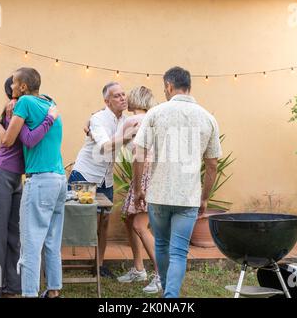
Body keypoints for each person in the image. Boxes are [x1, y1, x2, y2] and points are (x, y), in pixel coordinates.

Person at [133, 67, 222, 298]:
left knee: (161, 245)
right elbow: (212, 165)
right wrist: (204, 198)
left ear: (169, 86)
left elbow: (139, 154)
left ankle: (167, 292)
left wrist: (138, 190)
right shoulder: (207, 118)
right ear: (189, 86)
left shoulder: (155, 113)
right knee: (179, 252)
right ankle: (170, 296)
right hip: (188, 197)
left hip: (159, 195)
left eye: (165, 88)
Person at [0, 76, 58, 298]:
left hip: (17, 179)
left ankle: (12, 287)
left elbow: (31, 138)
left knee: (15, 237)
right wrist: (1, 123)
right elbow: (6, 141)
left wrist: (50, 117)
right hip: (0, 175)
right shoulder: (15, 107)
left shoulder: (34, 106)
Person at [1, 67, 66, 298]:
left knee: (29, 244)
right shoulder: (50, 102)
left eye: (14, 83)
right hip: (59, 179)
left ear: (23, 87)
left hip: (40, 180)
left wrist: (0, 125)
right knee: (51, 239)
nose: (11, 87)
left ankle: (29, 293)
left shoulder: (25, 101)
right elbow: (29, 137)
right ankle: (54, 290)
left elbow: (8, 140)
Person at [70, 82, 135, 278]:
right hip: (85, 175)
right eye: (117, 96)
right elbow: (106, 146)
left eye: (124, 94)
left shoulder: (126, 120)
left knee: (104, 220)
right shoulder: (97, 119)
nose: (123, 98)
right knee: (76, 220)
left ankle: (98, 265)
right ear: (107, 101)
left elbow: (134, 146)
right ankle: (56, 262)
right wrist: (126, 137)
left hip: (106, 179)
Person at [116, 86, 162, 294]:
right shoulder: (154, 118)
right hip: (154, 173)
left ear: (134, 100)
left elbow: (133, 155)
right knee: (128, 219)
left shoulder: (132, 121)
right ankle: (138, 268)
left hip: (144, 173)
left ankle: (162, 275)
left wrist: (137, 188)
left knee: (140, 224)